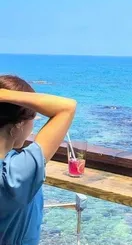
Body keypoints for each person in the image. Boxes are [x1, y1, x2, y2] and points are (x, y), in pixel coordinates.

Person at [0, 75, 76, 245]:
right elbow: (67, 107)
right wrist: (4, 95)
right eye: (33, 118)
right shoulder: (15, 174)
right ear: (18, 125)